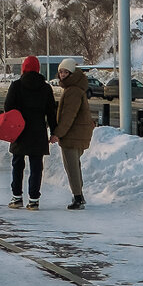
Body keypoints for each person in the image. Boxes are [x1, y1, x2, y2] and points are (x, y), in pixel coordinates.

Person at [4, 55, 57, 210]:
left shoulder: (16, 86)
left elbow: (8, 107)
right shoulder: (46, 88)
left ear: (24, 68)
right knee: (36, 166)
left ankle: (17, 198)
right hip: (38, 132)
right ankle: (33, 200)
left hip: (19, 130)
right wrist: (54, 131)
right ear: (38, 68)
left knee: (17, 164)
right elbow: (51, 113)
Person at [50, 58, 95, 210]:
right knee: (75, 165)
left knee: (72, 167)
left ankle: (78, 197)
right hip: (78, 133)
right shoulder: (76, 88)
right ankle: (79, 195)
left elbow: (68, 116)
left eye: (65, 72)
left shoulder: (73, 91)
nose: (62, 75)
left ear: (72, 73)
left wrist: (58, 133)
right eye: (60, 71)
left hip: (72, 134)